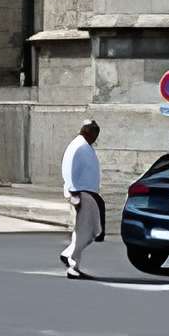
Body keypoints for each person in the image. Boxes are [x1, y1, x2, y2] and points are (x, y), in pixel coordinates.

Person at [60, 119, 104, 279]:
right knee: (83, 231)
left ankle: (68, 253)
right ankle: (73, 265)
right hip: (80, 193)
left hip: (87, 194)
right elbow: (69, 171)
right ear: (87, 132)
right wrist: (74, 194)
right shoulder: (78, 146)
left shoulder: (84, 145)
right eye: (94, 134)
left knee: (92, 229)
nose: (95, 138)